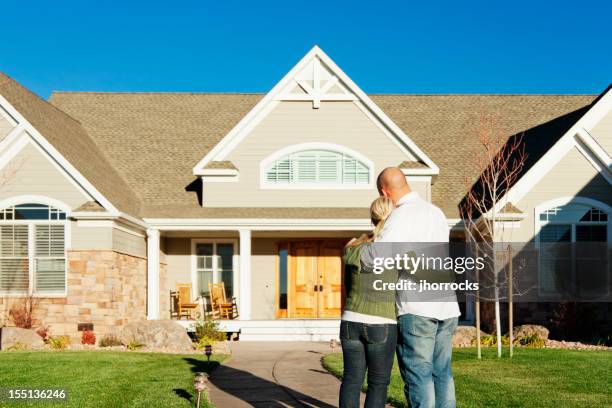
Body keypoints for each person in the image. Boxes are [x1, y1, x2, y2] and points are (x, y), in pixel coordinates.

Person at [376, 167, 460, 408]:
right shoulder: (436, 212)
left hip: (417, 307)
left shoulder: (400, 216)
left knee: (419, 376)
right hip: (446, 305)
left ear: (385, 192)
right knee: (442, 373)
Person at [339, 196, 398, 408]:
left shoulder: (354, 248)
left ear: (372, 217)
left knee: (351, 380)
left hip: (350, 321)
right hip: (382, 322)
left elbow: (347, 285)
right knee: (378, 383)